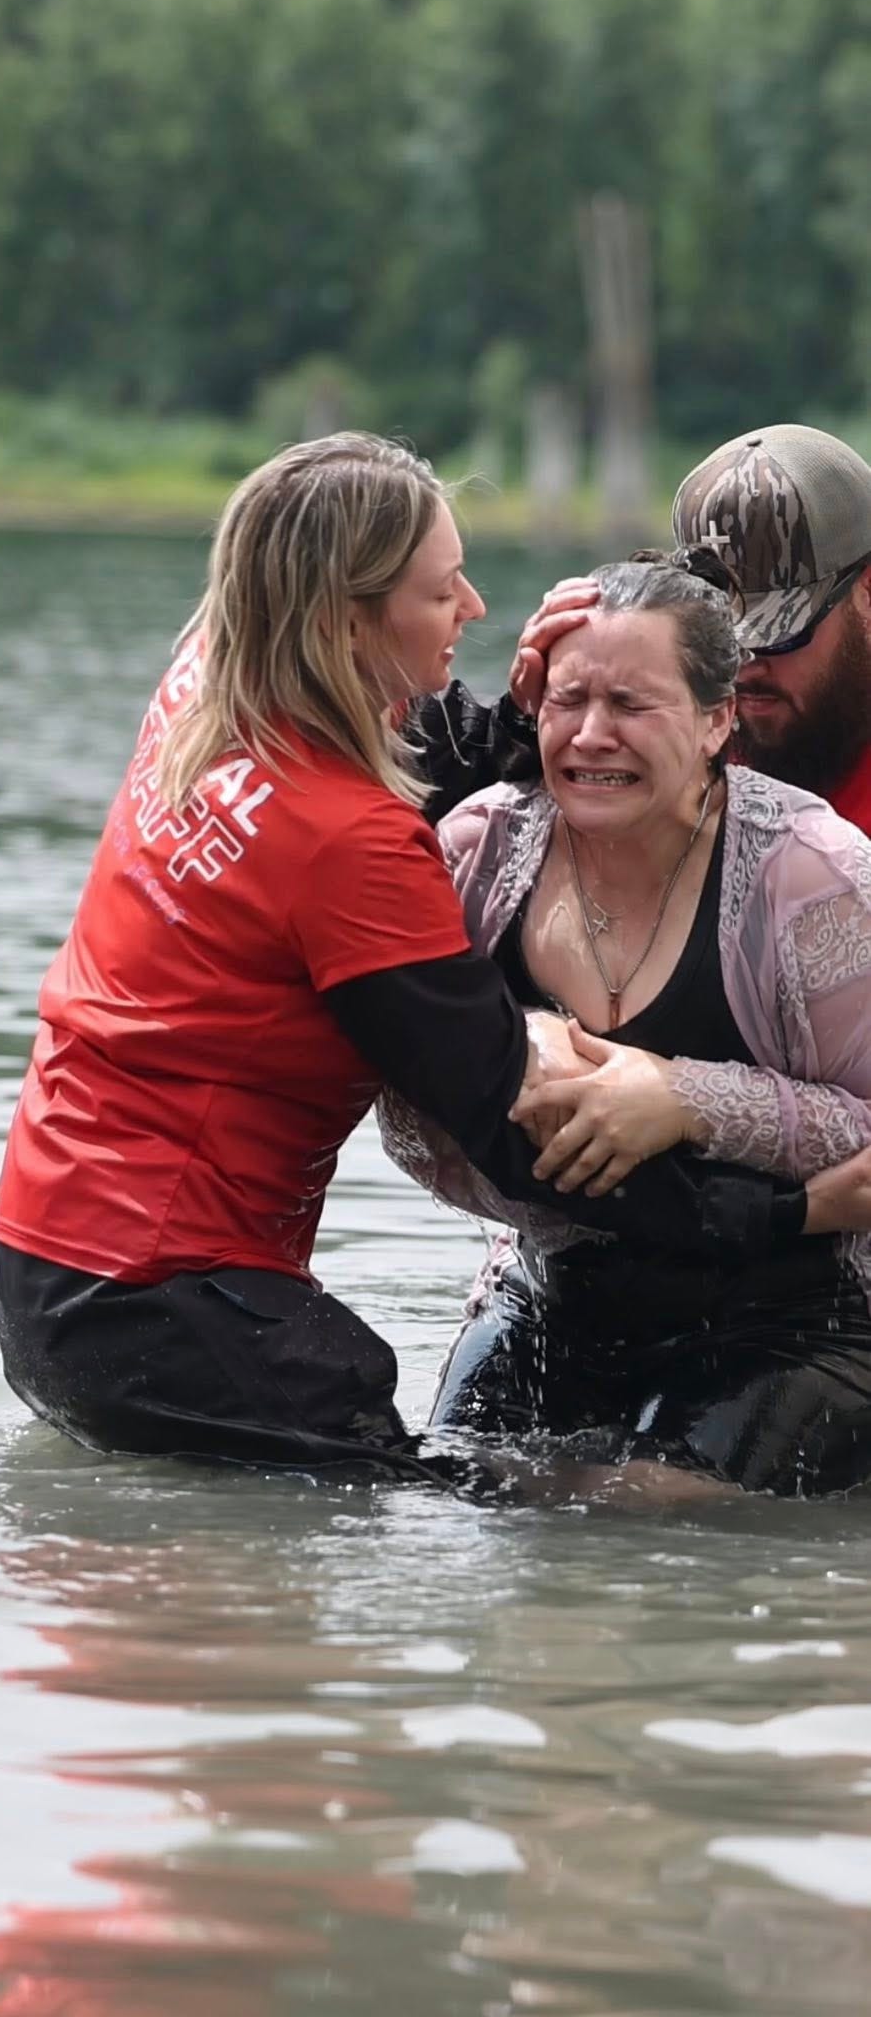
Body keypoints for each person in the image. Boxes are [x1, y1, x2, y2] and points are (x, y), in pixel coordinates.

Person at [0, 434, 850, 1487]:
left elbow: (364, 745)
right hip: (170, 1287)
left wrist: (524, 722)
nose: (481, 611)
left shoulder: (212, 670)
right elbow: (508, 1130)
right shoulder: (356, 846)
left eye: (630, 702)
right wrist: (787, 1208)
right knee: (464, 1505)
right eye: (444, 588)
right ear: (344, 620)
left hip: (45, 1260)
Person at [383, 550, 871, 1496]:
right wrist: (514, 1062)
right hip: (557, 1289)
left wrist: (683, 1098)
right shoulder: (476, 852)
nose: (591, 736)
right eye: (569, 701)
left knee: (638, 1508)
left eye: (633, 706)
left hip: (798, 1307)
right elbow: (407, 1124)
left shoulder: (816, 874)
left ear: (717, 722)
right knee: (446, 1490)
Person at [502, 424, 871, 834]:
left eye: (777, 635)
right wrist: (521, 725)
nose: (741, 669)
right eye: (720, 641)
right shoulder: (670, 739)